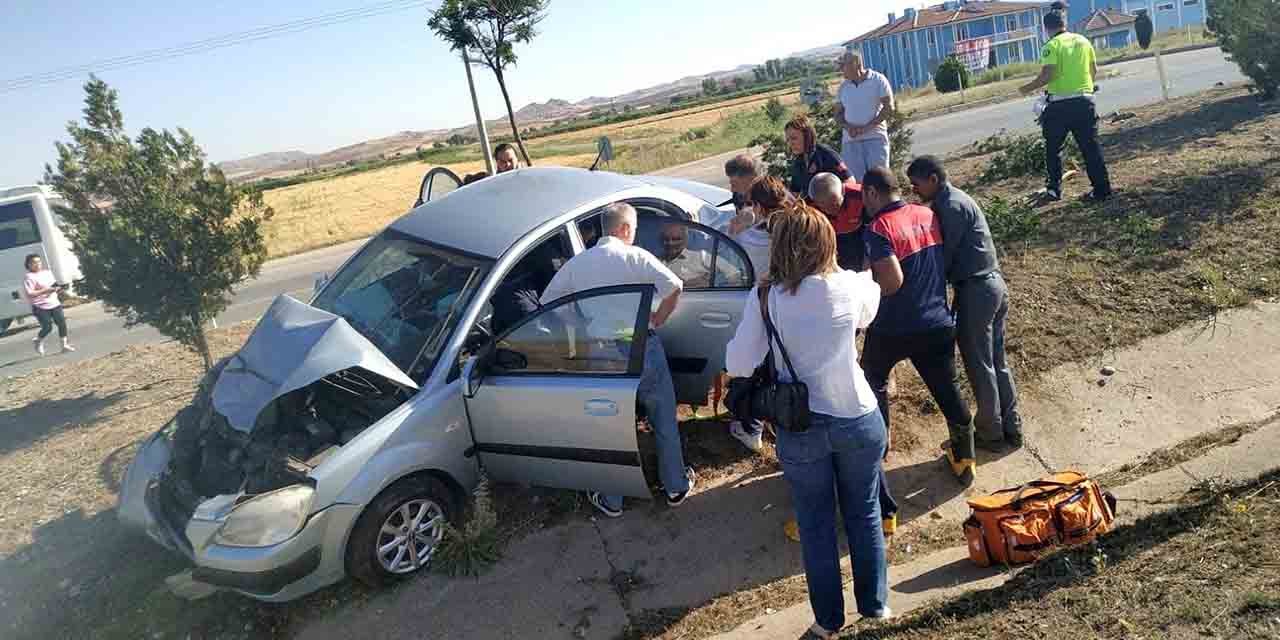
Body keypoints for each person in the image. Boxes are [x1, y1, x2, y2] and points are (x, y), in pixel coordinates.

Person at [725, 204, 891, 637]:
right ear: (828, 241)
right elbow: (870, 308)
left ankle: (828, 622)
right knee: (865, 512)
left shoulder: (767, 298)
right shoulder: (851, 286)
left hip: (801, 426)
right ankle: (875, 607)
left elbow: (738, 361)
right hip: (857, 417)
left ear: (779, 246)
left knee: (816, 527)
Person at [539, 203, 695, 517]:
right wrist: (658, 317)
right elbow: (675, 287)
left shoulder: (577, 264)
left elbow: (547, 302)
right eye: (633, 230)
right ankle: (676, 486)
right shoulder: (636, 256)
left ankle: (613, 499)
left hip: (602, 351)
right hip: (642, 345)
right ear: (625, 229)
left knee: (610, 427)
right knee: (663, 416)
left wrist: (578, 322)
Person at [860, 168, 977, 485]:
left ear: (872, 192)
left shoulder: (878, 227)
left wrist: (864, 285)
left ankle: (878, 450)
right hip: (937, 322)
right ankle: (965, 458)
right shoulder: (927, 213)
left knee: (873, 381)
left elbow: (891, 283)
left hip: (892, 328)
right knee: (947, 388)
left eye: (865, 198)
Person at [908, 156, 1023, 451]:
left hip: (977, 290)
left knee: (979, 364)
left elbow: (945, 256)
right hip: (989, 285)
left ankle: (990, 433)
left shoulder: (950, 207)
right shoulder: (956, 199)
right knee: (997, 361)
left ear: (933, 179)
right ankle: (1011, 426)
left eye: (916, 184)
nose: (914, 190)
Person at [1019, 9, 1112, 203]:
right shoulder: (1083, 41)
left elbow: (1048, 75)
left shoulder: (1051, 46)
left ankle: (1054, 190)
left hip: (1059, 105)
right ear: (1064, 23)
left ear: (1046, 28)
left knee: (1053, 150)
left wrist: (1025, 89)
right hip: (1084, 102)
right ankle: (1102, 190)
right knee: (1090, 148)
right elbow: (1093, 70)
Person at [834, 50, 894, 181]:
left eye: (843, 66)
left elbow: (888, 107)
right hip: (851, 142)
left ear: (855, 64)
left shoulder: (878, 80)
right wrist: (848, 127)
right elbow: (837, 114)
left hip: (876, 139)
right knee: (856, 184)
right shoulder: (843, 87)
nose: (841, 70)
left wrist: (867, 127)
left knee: (880, 181)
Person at [22, 254, 75, 356]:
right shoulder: (28, 277)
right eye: (34, 262)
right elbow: (30, 293)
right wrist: (46, 290)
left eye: (39, 262)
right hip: (39, 306)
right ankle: (38, 340)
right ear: (28, 265)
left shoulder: (47, 273)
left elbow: (54, 285)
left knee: (61, 323)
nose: (37, 264)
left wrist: (60, 290)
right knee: (48, 327)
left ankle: (64, 346)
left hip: (54, 303)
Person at [785, 114, 850, 196]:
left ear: (807, 136)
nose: (790, 143)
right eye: (787, 140)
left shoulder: (825, 154)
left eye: (794, 138)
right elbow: (795, 192)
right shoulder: (798, 163)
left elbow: (850, 181)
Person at [658, 222, 714, 289]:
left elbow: (729, 274)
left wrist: (708, 281)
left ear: (685, 239)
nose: (670, 243)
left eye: (676, 239)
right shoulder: (656, 263)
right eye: (666, 239)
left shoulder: (701, 257)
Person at [723, 154, 762, 234]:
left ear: (752, 180)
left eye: (735, 184)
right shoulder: (738, 196)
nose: (732, 190)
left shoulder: (771, 201)